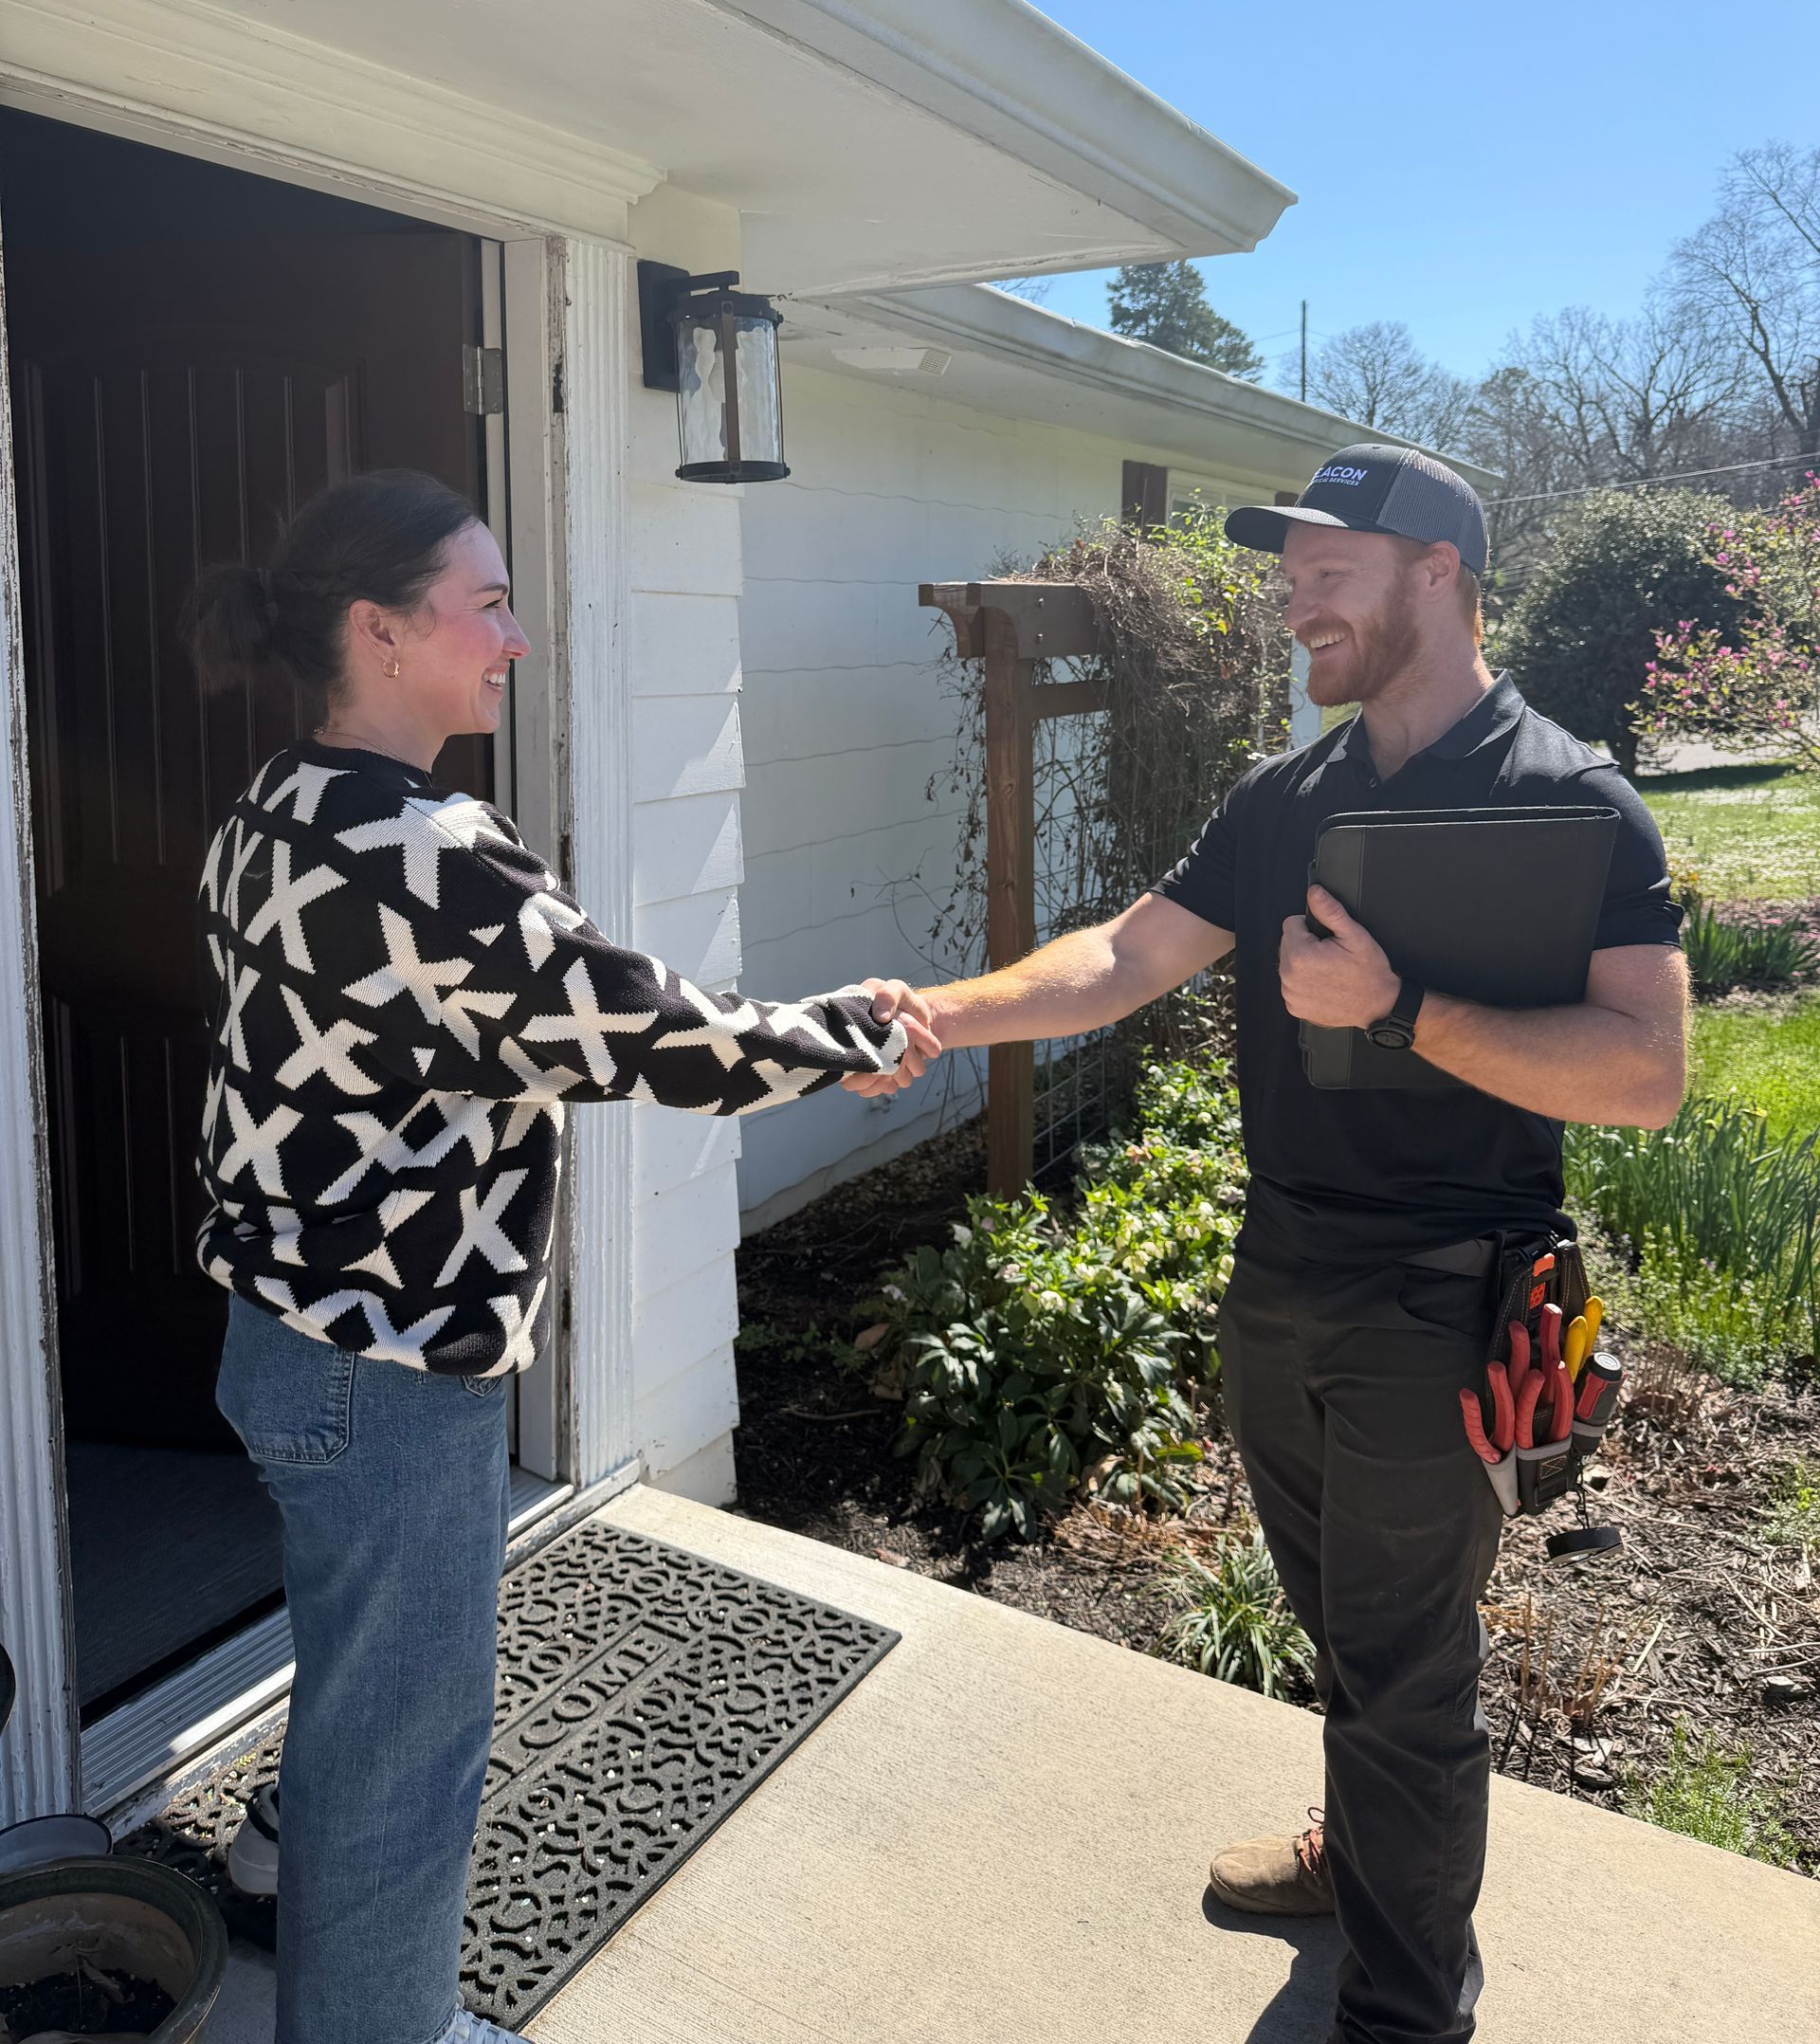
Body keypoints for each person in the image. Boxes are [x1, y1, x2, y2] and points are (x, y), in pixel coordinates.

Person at [848, 444, 1687, 2044]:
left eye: (1330, 564)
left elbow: (1646, 1072)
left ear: (1438, 569)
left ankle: (1403, 2011)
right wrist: (941, 1017)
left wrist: (1408, 1014)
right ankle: (1360, 1854)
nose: (1294, 593)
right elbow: (1122, 953)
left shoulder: (1570, 799)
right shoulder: (1287, 800)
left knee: (1407, 1665)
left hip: (1449, 1294)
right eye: (1288, 566)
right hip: (1285, 1271)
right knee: (1343, 1626)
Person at [185, 468, 937, 2044]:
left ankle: (276, 1865)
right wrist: (845, 1037)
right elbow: (644, 1031)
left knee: (359, 1660)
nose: (515, 638)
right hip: (384, 1368)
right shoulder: (430, 851)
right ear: (382, 634)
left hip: (275, 1334)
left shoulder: (271, 806)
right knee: (412, 1743)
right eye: (489, 604)